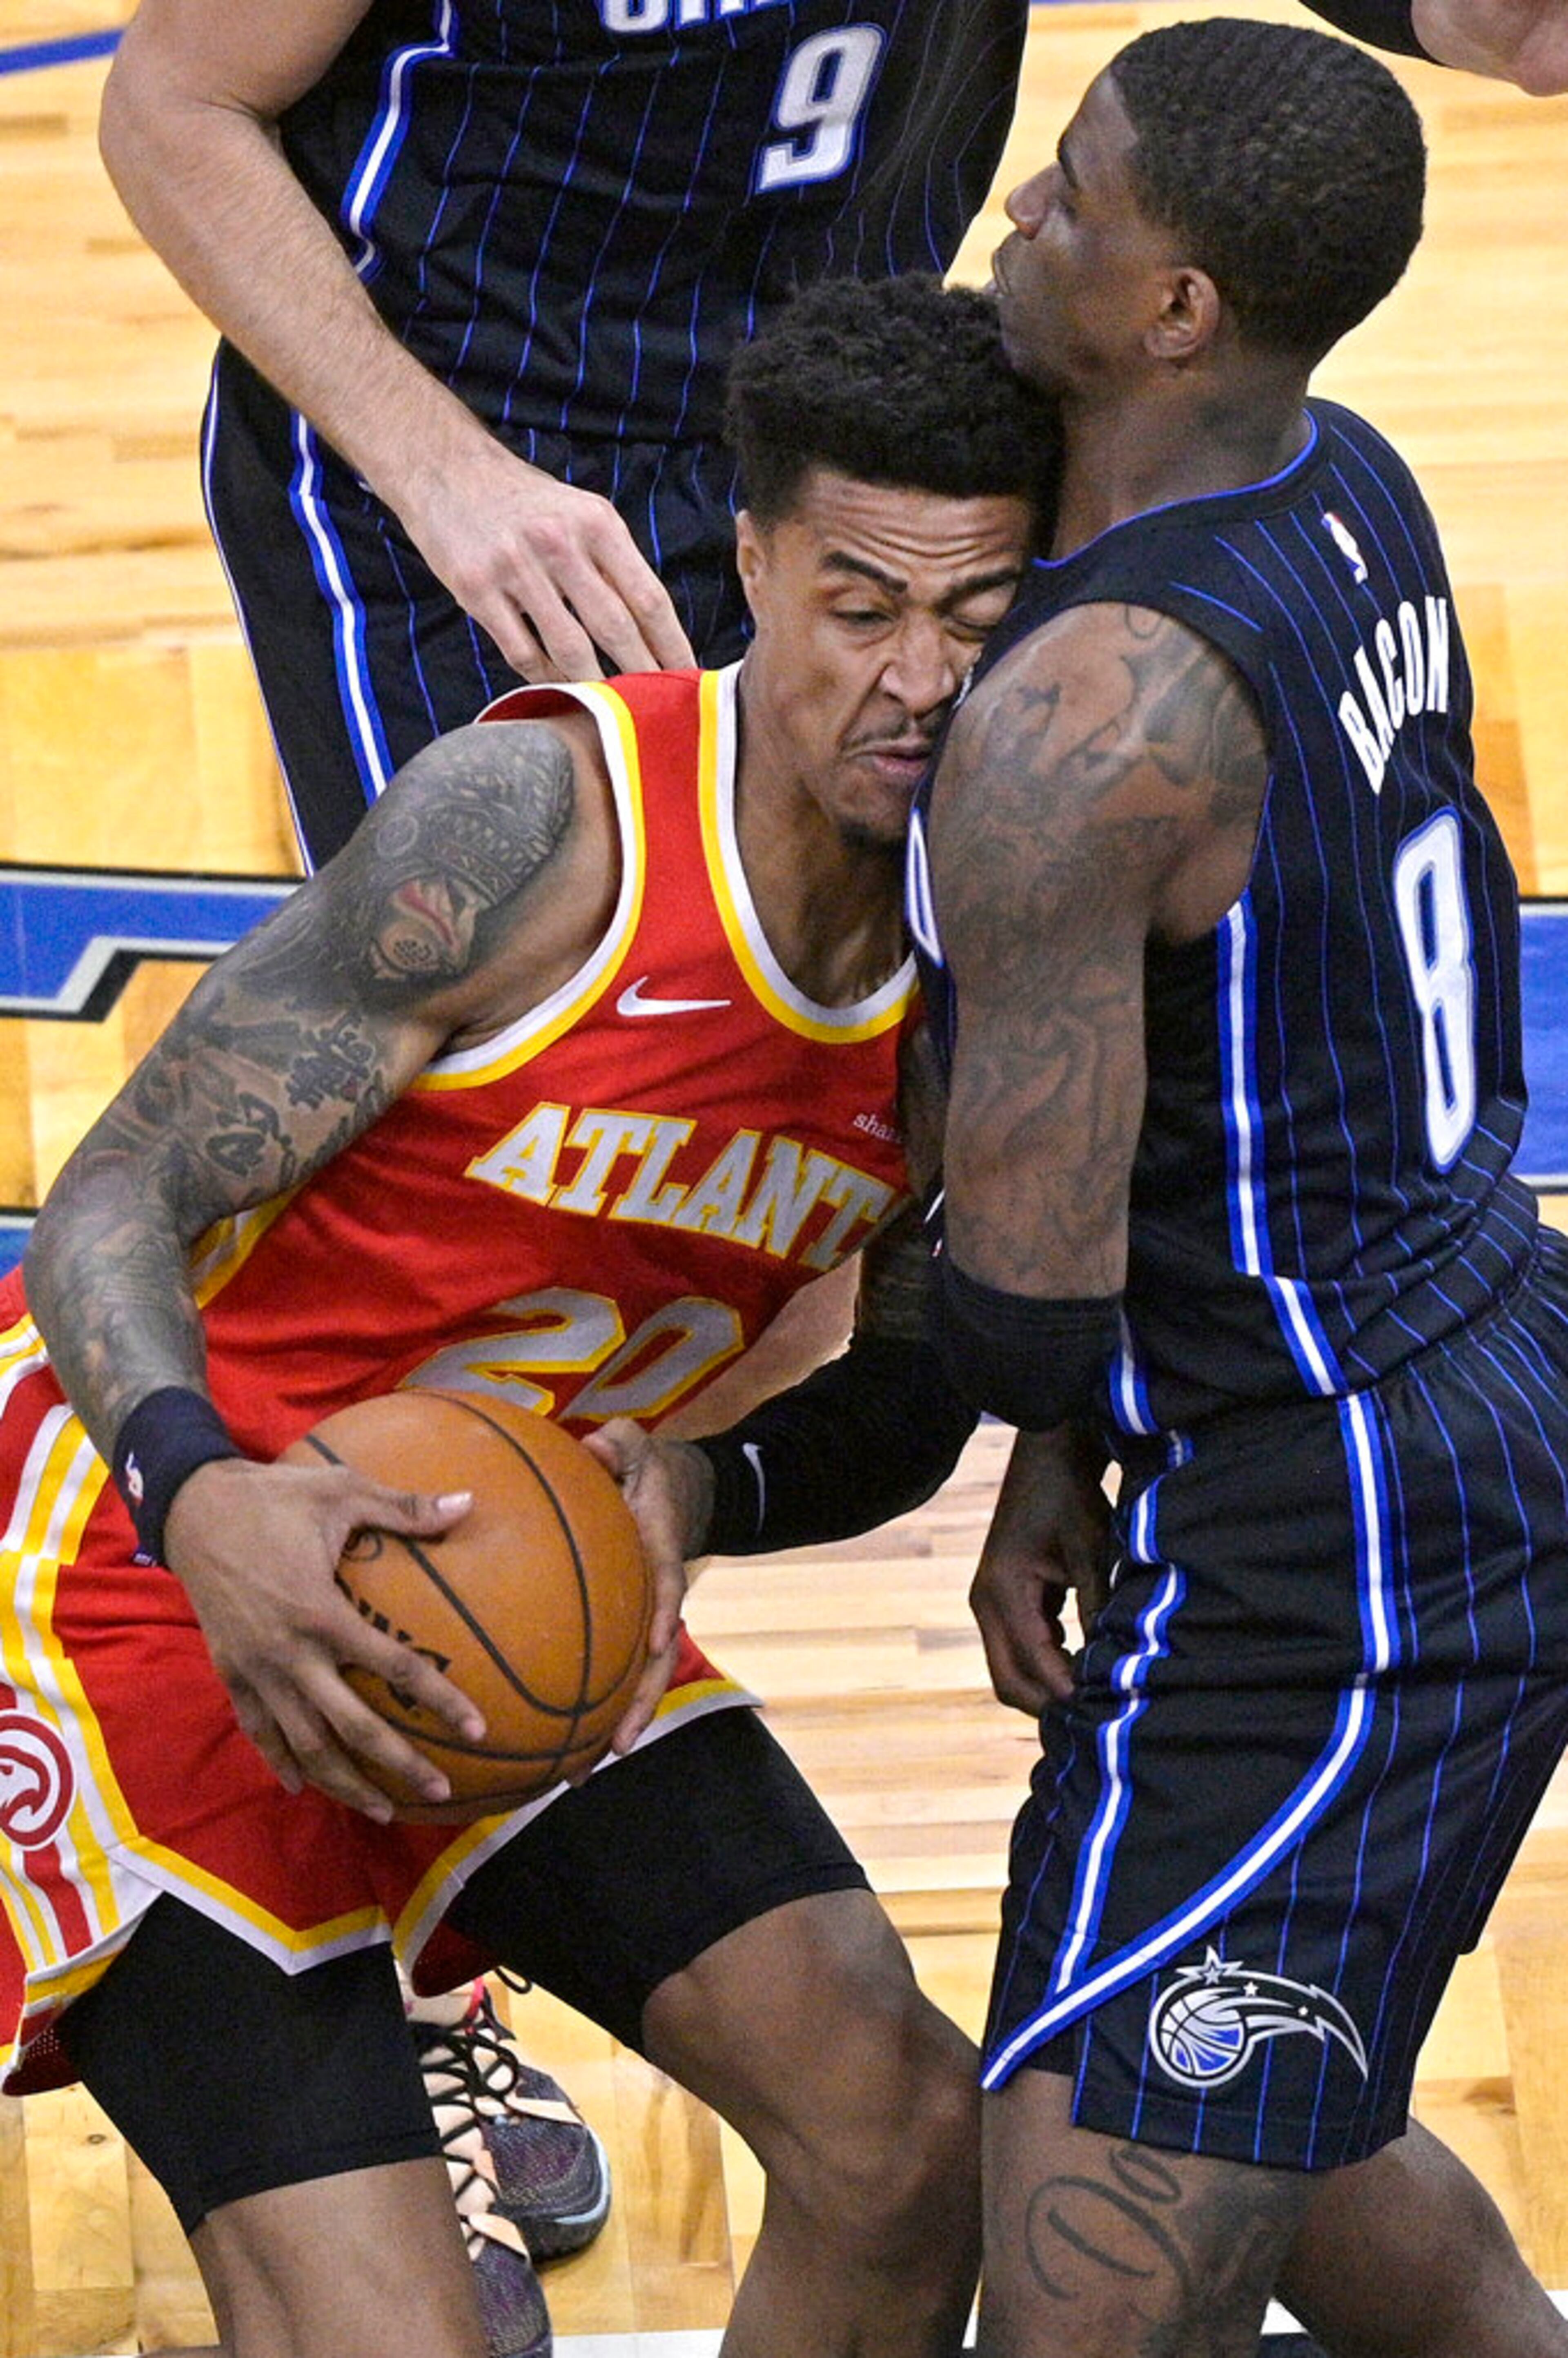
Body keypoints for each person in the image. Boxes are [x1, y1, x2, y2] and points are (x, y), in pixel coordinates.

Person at [0, 273, 1051, 2358]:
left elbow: (926, 1382)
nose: (919, 678)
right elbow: (110, 1192)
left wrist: (707, 1482)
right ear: (747, 563)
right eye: (860, 606)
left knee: (907, 2136)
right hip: (157, 1577)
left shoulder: (1002, 936)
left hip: (518, 1589)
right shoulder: (538, 830)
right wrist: (204, 1496)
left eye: (979, 614)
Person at [903, 21, 1568, 2355]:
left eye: (1073, 199)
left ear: (1177, 306)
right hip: (1425, 1361)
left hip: (1343, 1536)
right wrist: (1075, 1456)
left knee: (1082, 2310)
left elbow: (1016, 1289)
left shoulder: (1085, 716)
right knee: (1294, 2134)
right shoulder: (1346, 477)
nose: (1020, 214)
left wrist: (705, 1439)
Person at [96, 0, 1567, 875]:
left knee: (872, 1068)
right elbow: (173, 102)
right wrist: (444, 474)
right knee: (518, 1071)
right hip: (479, 459)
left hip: (861, 403)